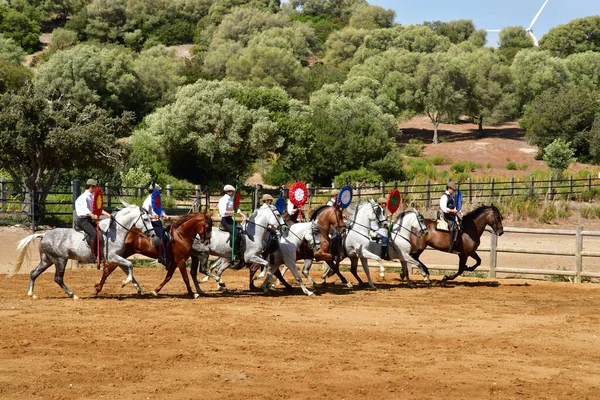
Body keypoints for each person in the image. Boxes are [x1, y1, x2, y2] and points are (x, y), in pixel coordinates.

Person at [75, 179, 111, 258]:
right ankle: (93, 254)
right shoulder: (83, 197)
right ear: (91, 187)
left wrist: (108, 214)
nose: (96, 189)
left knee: (101, 231)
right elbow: (85, 210)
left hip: (88, 219)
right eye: (95, 187)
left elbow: (96, 209)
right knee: (94, 234)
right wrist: (93, 215)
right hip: (82, 220)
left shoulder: (92, 196)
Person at [142, 184, 170, 263]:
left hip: (158, 222)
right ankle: (161, 257)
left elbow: (159, 211)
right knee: (162, 237)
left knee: (168, 235)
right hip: (151, 223)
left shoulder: (155, 200)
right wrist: (153, 217)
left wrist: (165, 216)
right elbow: (144, 215)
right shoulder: (147, 201)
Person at [440, 181, 463, 253]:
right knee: (454, 228)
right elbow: (444, 208)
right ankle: (451, 247)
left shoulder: (451, 196)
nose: (454, 191)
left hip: (452, 216)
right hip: (447, 217)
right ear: (449, 188)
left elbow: (455, 206)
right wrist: (452, 211)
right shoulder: (444, 197)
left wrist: (459, 212)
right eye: (453, 190)